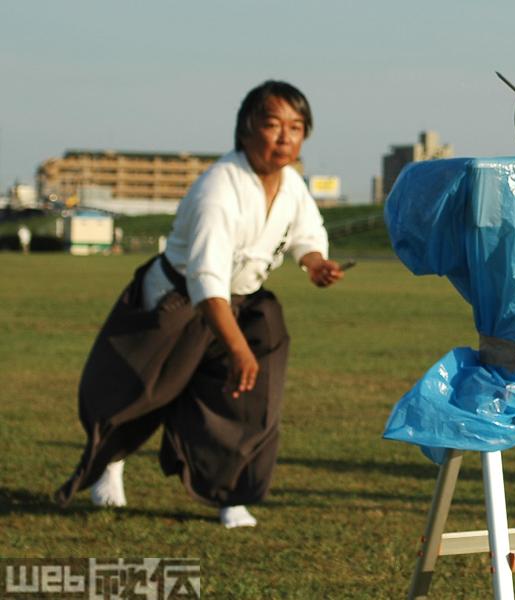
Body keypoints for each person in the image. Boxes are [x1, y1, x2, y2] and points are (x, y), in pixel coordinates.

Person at [56, 80, 345, 528]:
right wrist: (237, 348)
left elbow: (306, 232)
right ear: (246, 130)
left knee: (249, 397)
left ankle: (231, 493)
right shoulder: (219, 189)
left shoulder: (291, 185)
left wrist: (315, 262)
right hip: (177, 302)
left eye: (296, 126)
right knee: (140, 392)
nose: (286, 136)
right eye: (273, 125)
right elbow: (206, 280)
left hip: (242, 301)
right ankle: (110, 462)